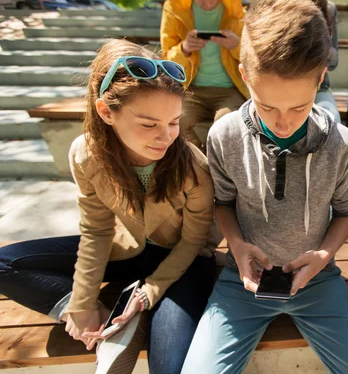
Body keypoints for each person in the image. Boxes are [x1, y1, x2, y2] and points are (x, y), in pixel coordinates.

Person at [181, 0, 348, 374]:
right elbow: (223, 204)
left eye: (299, 107)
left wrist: (325, 255)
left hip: (318, 280)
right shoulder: (224, 136)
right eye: (266, 106)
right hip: (241, 281)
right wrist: (238, 245)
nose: (282, 122)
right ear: (245, 77)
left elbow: (345, 212)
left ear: (321, 77)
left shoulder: (342, 144)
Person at [0, 39, 217, 374]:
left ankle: (133, 311)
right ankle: (109, 318)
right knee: (5, 264)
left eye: (174, 121)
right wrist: (82, 302)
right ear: (106, 112)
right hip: (125, 252)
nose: (166, 136)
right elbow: (96, 230)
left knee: (170, 365)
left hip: (181, 263)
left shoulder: (193, 167)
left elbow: (193, 241)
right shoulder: (85, 154)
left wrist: (149, 293)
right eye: (149, 124)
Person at [161, 0, 249, 151]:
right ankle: (199, 167)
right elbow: (165, 62)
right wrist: (184, 49)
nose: (206, 4)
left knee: (226, 124)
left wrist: (237, 46)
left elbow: (254, 57)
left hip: (230, 90)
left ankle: (215, 170)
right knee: (175, 121)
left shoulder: (236, 10)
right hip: (192, 90)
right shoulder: (174, 9)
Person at [279, 0, 341, 122]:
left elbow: (333, 62)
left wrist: (322, 47)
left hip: (318, 86)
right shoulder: (276, 7)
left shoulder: (328, 9)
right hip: (282, 84)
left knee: (332, 120)